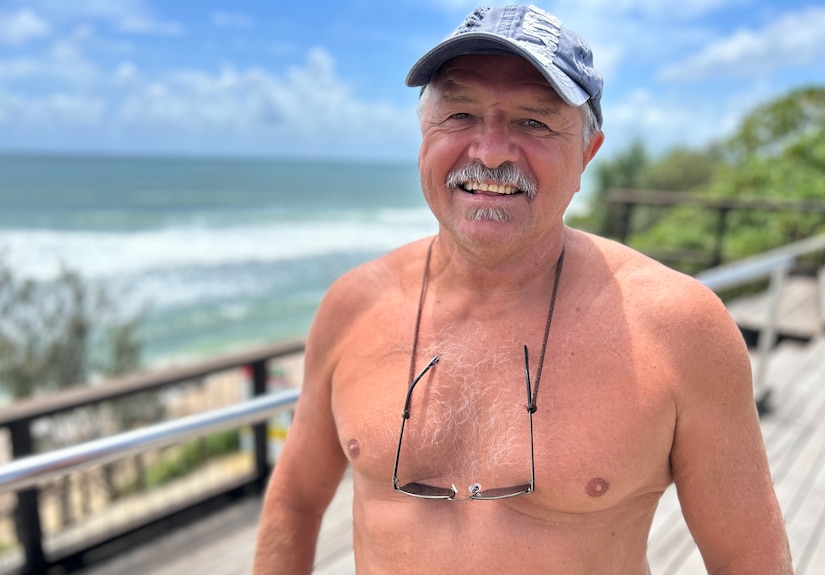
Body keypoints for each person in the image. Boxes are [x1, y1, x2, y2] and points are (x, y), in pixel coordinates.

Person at [253, 5, 793, 574]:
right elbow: (294, 500)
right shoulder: (353, 306)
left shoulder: (679, 329)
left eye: (534, 121)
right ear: (423, 133)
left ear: (587, 153)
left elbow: (748, 560)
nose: (490, 151)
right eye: (460, 114)